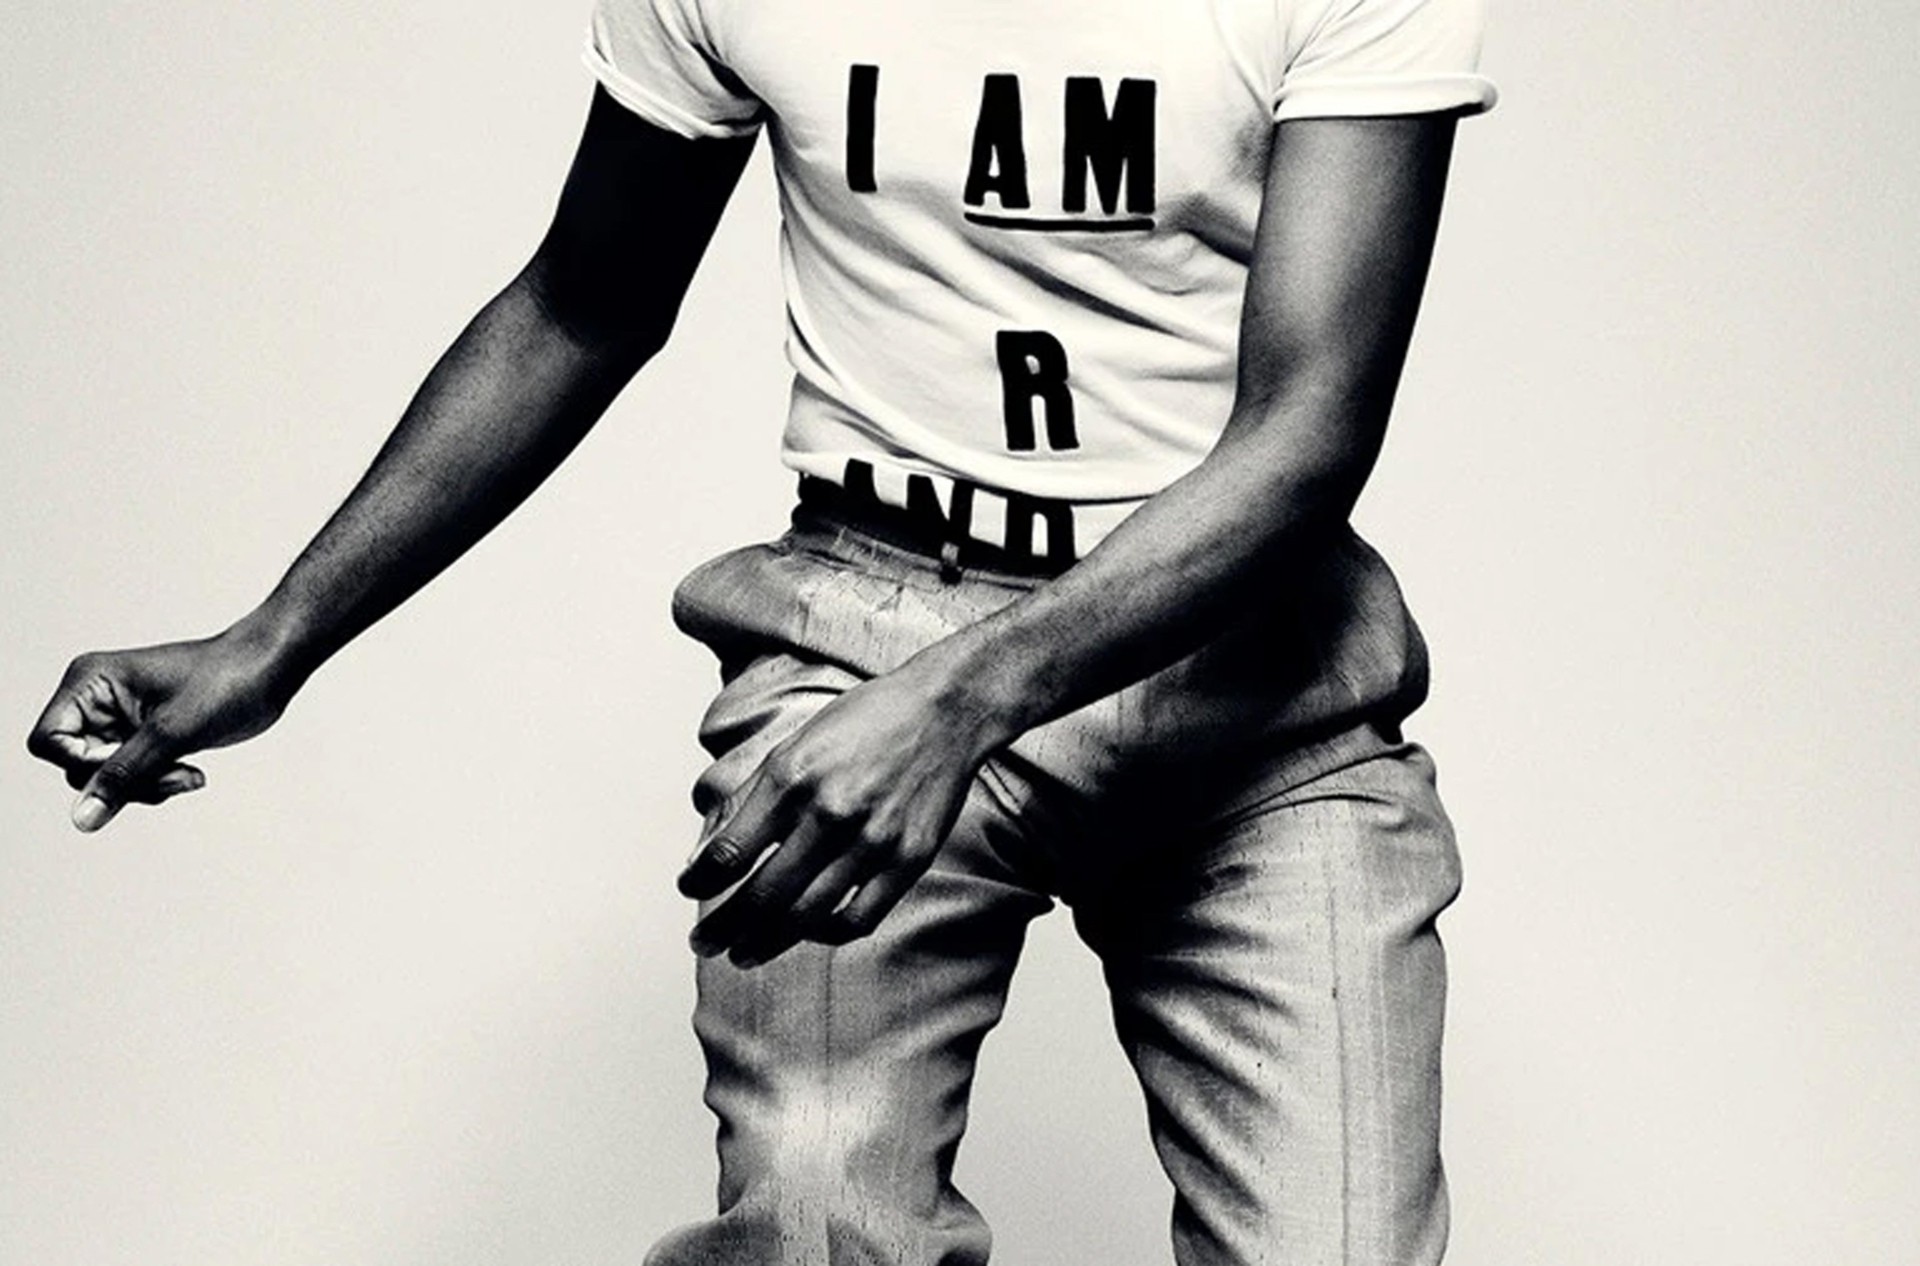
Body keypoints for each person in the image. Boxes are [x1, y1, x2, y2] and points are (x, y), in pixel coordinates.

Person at [28, 0, 1496, 1261]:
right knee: (809, 1231)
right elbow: (582, 303)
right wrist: (272, 640)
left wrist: (955, 704)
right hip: (867, 617)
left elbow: (1308, 432)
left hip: (1251, 662)